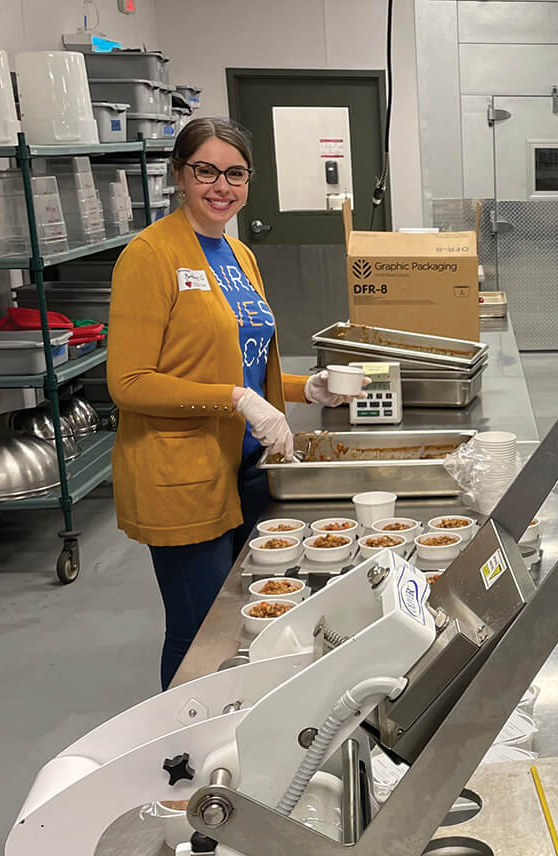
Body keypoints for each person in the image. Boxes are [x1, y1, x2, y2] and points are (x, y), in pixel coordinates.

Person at [107, 117, 360, 690]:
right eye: (206, 171)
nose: (221, 186)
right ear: (179, 174)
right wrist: (238, 401)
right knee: (200, 634)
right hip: (182, 477)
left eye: (236, 174)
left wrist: (302, 389)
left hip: (246, 469)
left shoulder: (239, 254)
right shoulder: (150, 256)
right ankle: (181, 755)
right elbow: (129, 382)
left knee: (247, 619)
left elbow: (242, 362)